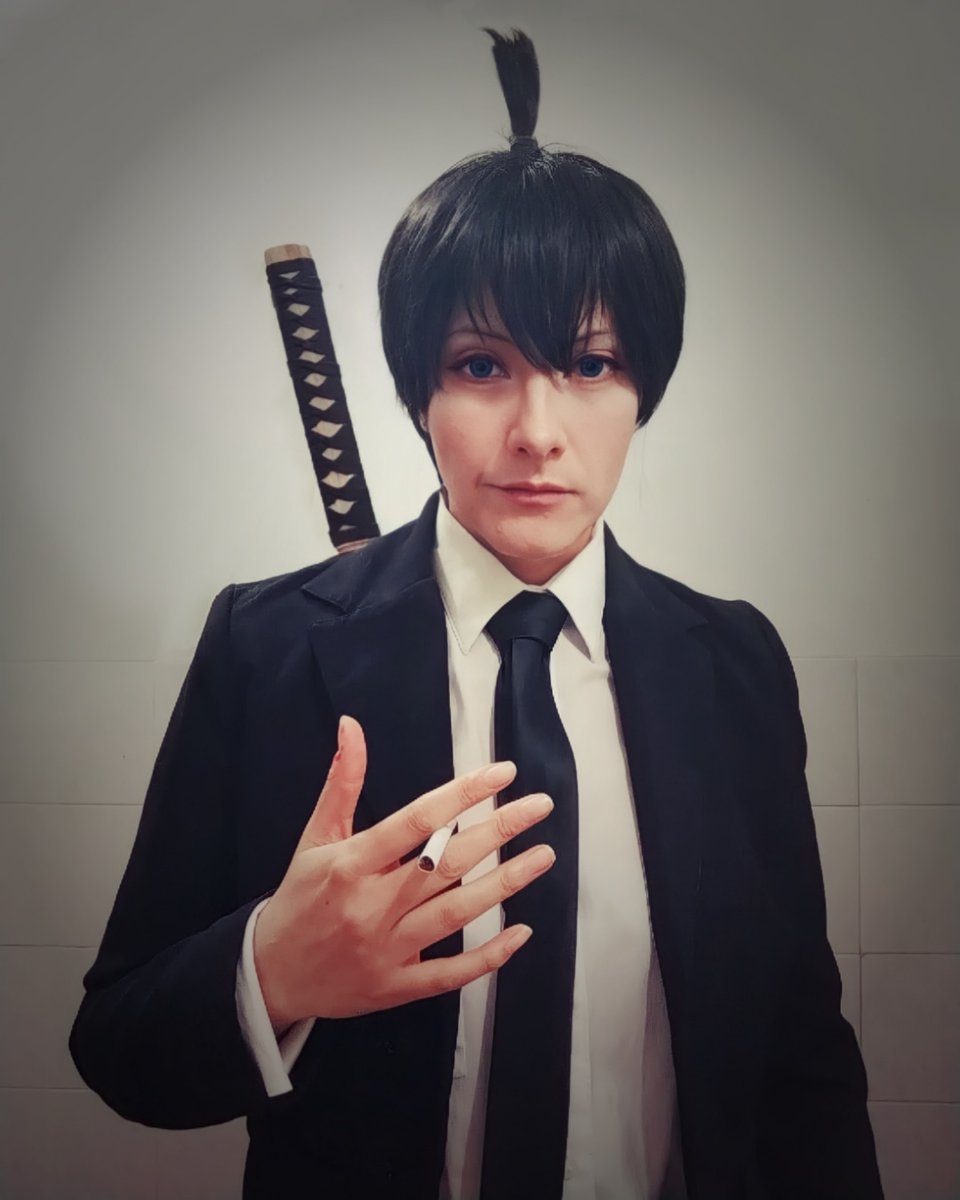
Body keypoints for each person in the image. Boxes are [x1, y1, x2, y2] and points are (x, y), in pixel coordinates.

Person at [69, 28, 884, 1200]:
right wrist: (270, 973)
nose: (538, 433)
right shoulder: (267, 646)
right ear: (420, 393)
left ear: (644, 387)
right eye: (483, 366)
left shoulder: (736, 665)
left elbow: (802, 1057)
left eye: (590, 365)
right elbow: (119, 1045)